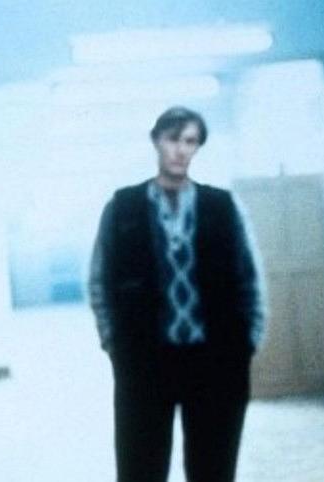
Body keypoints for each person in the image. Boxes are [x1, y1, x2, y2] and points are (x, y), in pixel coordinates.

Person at [88, 106, 265, 482]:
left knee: (214, 466)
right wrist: (113, 341)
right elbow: (99, 280)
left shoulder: (222, 206)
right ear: (156, 141)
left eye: (190, 141)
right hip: (145, 361)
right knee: (140, 466)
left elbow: (250, 277)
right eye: (173, 139)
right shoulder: (122, 207)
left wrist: (247, 342)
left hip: (215, 359)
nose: (181, 150)